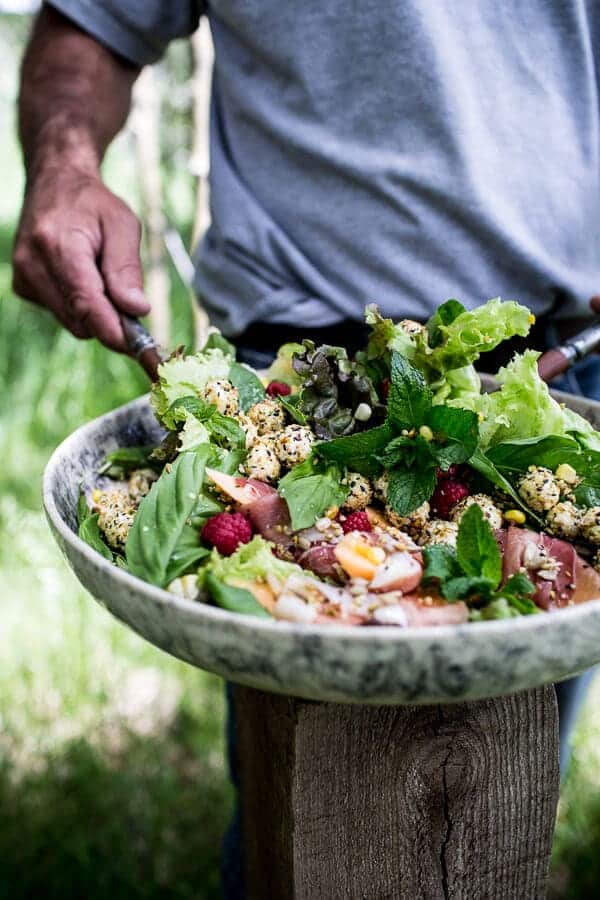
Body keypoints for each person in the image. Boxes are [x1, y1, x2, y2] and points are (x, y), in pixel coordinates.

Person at [13, 2, 600, 895]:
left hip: (545, 386)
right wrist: (62, 166)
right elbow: (91, 24)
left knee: (500, 808)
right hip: (284, 384)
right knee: (304, 824)